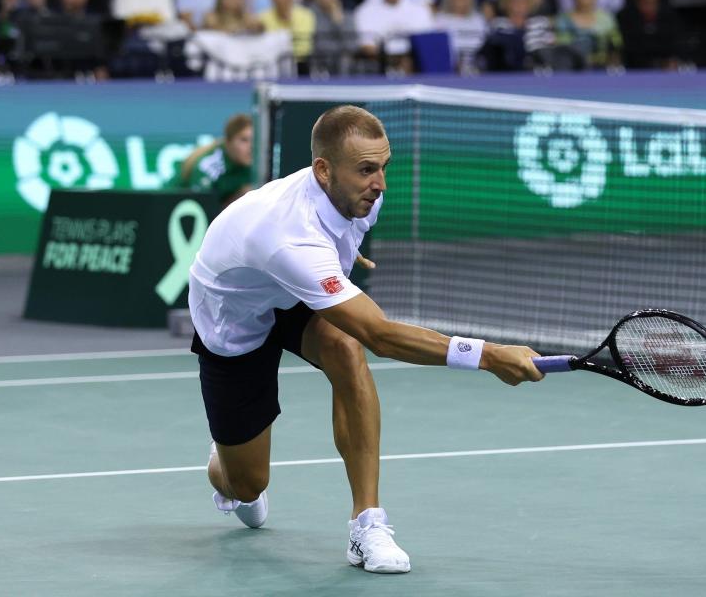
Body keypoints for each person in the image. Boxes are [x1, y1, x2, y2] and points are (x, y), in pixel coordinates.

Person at [188, 105, 543, 574]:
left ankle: (366, 524)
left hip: (290, 291)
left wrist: (334, 263)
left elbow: (352, 315)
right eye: (366, 170)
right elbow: (381, 334)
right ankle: (225, 468)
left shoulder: (358, 196)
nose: (381, 184)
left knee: (344, 347)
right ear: (323, 169)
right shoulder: (288, 237)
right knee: (248, 487)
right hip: (233, 318)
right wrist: (490, 356)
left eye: (383, 167)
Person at [172, 113, 253, 209]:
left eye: (254, 140)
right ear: (228, 142)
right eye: (244, 140)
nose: (251, 146)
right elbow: (201, 208)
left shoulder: (257, 162)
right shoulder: (209, 166)